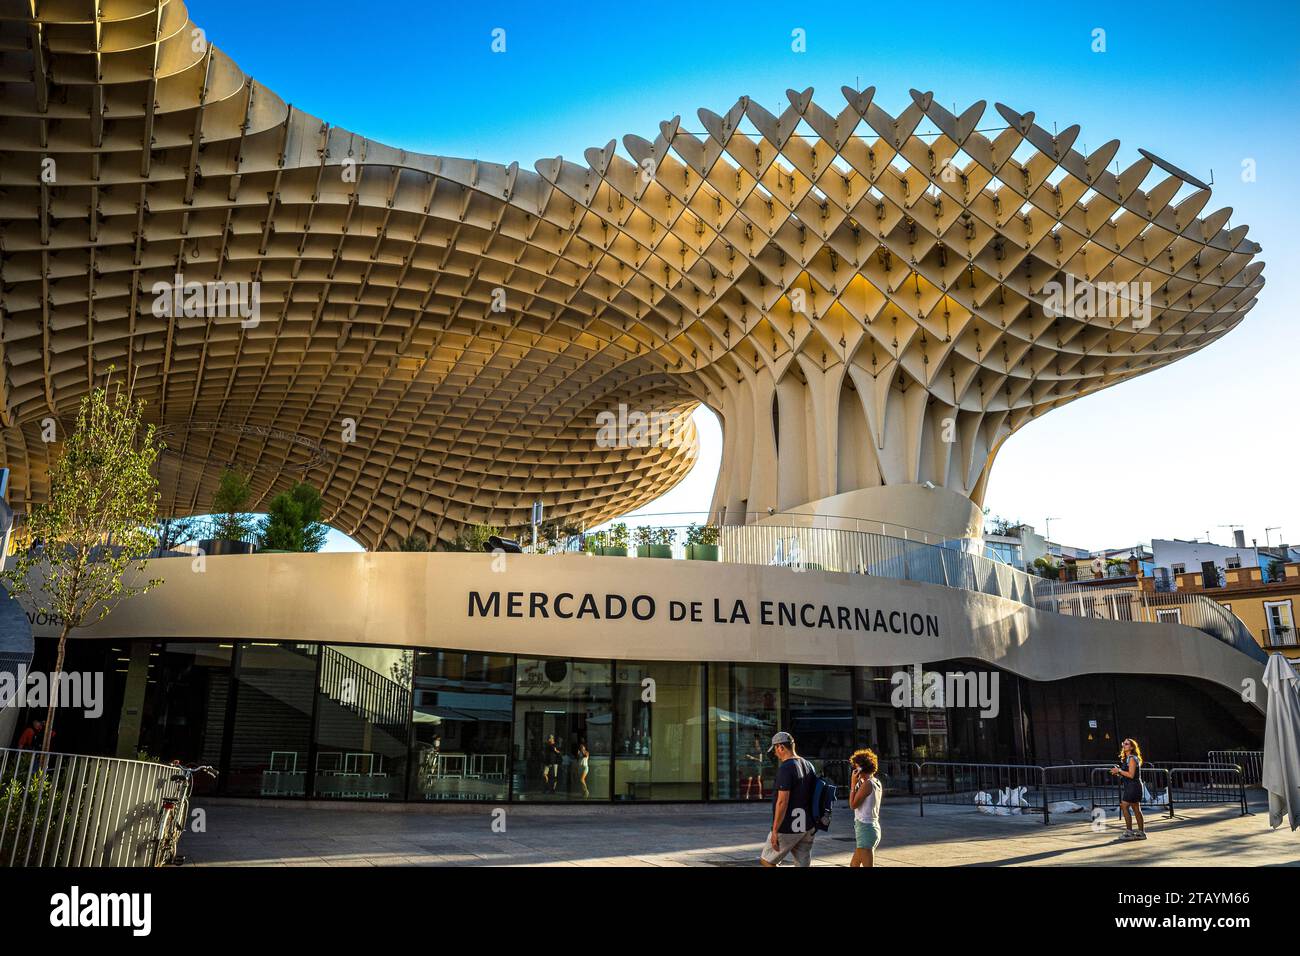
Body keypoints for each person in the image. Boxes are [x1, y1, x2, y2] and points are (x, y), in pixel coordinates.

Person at [760, 731, 818, 867]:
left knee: (767, 860)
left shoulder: (786, 768)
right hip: (807, 824)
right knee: (802, 864)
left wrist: (775, 831)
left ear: (781, 747)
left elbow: (782, 802)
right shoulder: (808, 765)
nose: (775, 753)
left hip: (789, 825)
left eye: (775, 749)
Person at [848, 748, 882, 867]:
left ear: (861, 768)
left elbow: (852, 805)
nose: (854, 771)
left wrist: (852, 784)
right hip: (869, 828)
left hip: (865, 828)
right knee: (854, 865)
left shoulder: (867, 784)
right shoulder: (875, 782)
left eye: (856, 768)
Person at [1109, 737, 1146, 840]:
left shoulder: (1132, 758)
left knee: (1124, 806)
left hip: (1133, 787)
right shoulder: (1128, 758)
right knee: (1136, 809)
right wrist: (1118, 772)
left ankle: (1130, 832)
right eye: (1124, 744)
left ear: (1132, 747)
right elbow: (1127, 774)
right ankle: (1140, 833)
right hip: (1131, 786)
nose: (1124, 745)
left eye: (1127, 744)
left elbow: (1131, 774)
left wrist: (1119, 771)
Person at [742, 734, 765, 801]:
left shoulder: (760, 750)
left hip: (757, 766)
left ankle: (759, 795)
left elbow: (760, 760)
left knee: (758, 781)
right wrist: (747, 756)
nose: (755, 743)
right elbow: (746, 755)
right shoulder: (751, 749)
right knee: (749, 781)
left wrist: (752, 758)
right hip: (751, 766)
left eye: (756, 742)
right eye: (755, 742)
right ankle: (747, 795)